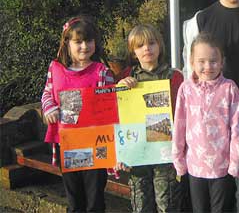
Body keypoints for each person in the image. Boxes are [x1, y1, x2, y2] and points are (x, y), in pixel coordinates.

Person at [41, 16, 115, 212]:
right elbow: (48, 93)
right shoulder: (55, 68)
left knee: (95, 198)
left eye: (89, 41)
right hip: (68, 143)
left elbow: (111, 104)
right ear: (67, 43)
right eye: (78, 41)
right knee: (74, 199)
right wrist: (49, 108)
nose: (84, 46)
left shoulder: (102, 72)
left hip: (95, 143)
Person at [116, 24, 189, 213]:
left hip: (165, 153)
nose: (146, 48)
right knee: (141, 202)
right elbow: (115, 114)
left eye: (151, 43)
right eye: (140, 45)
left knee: (168, 202)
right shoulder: (125, 76)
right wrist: (120, 88)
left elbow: (184, 115)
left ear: (160, 46)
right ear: (133, 51)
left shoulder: (175, 76)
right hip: (137, 152)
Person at [172, 32, 239, 213]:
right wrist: (178, 158)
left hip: (222, 166)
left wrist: (235, 162)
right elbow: (179, 124)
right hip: (194, 165)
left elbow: (237, 127)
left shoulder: (229, 88)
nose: (208, 66)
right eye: (201, 61)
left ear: (222, 62)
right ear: (192, 62)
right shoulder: (186, 88)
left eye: (213, 61)